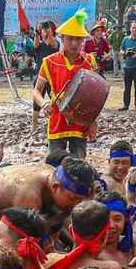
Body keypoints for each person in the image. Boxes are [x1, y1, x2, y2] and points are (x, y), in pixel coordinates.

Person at [34, 11, 99, 162]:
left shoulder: (89, 61)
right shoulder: (49, 61)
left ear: (82, 40)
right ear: (63, 38)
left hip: (81, 122)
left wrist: (94, 120)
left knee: (79, 165)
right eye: (70, 39)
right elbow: (37, 91)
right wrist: (44, 104)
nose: (74, 43)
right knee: (55, 166)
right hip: (57, 120)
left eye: (78, 39)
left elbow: (95, 96)